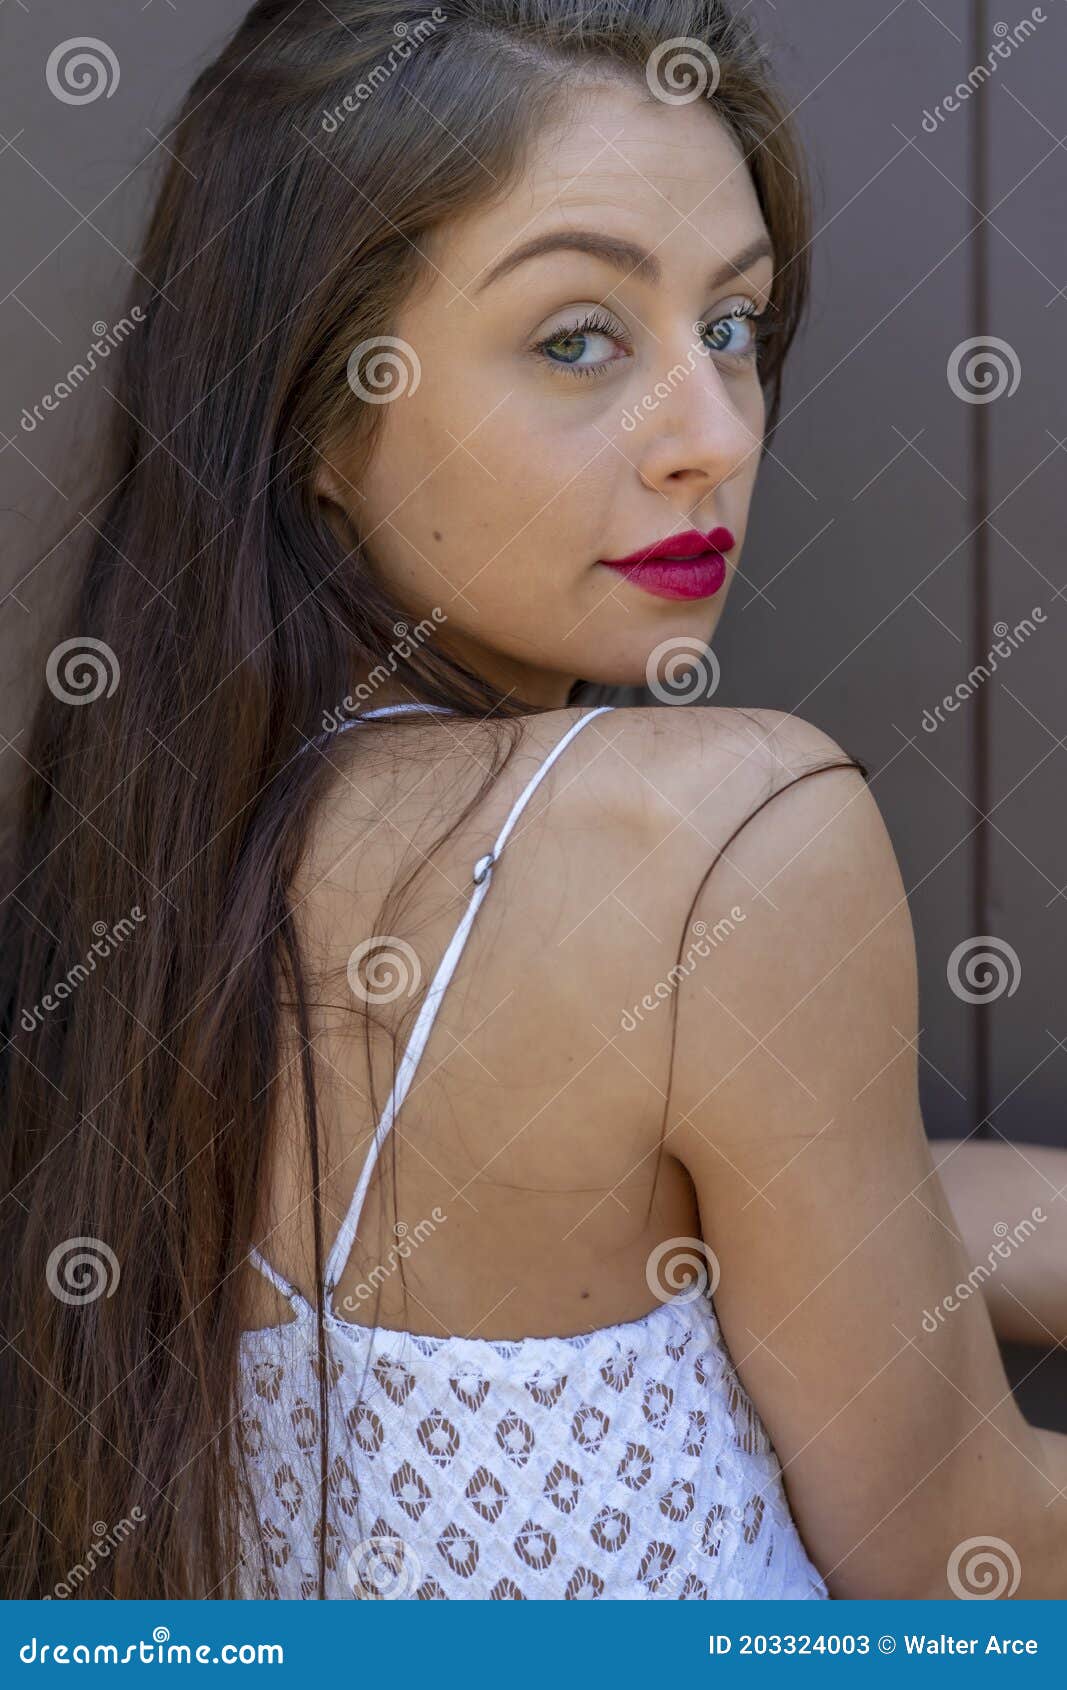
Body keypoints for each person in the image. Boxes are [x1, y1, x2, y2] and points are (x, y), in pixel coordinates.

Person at [1, 0, 1064, 1601]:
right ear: (319, 414)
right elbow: (981, 1563)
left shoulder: (156, 870)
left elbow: (799, 1213)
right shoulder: (720, 835)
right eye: (580, 338)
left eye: (735, 327)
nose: (711, 436)